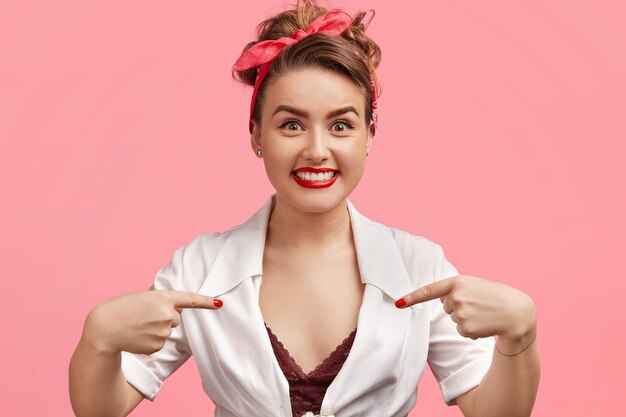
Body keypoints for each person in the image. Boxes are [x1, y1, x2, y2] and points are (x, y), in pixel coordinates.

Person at [68, 1, 540, 416]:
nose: (317, 150)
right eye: (291, 125)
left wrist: (520, 339)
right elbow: (101, 409)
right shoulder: (199, 266)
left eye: (341, 125)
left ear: (370, 136)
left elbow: (494, 413)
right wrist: (99, 341)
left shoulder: (420, 266)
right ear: (255, 135)